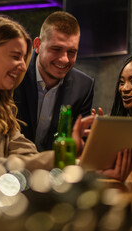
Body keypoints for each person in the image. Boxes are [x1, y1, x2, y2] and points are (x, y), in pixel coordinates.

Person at [0, 14, 132, 200]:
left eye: (24, 58)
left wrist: (91, 169)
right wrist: (64, 155)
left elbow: (29, 156)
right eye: (15, 57)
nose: (23, 66)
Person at [14, 11, 94, 152]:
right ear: (38, 45)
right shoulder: (15, 73)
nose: (64, 59)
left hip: (55, 170)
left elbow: (77, 146)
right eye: (56, 49)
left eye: (72, 52)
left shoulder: (84, 86)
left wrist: (94, 133)